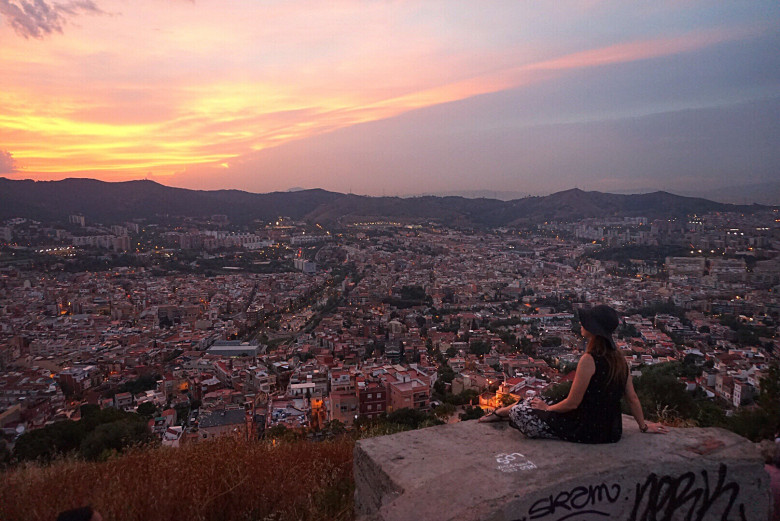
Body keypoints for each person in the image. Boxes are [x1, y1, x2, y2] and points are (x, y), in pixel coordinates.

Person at [479, 304, 666, 443]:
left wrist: (547, 410)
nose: (581, 324)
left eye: (585, 322)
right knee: (538, 399)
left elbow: (573, 403)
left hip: (584, 428)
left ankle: (501, 413)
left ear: (594, 330)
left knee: (523, 411)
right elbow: (632, 398)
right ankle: (501, 412)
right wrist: (644, 426)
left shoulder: (589, 360)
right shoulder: (620, 360)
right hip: (611, 430)